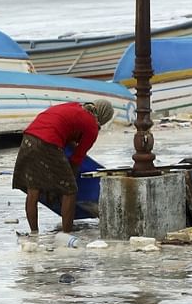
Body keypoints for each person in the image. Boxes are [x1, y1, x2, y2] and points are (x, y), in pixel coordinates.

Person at [12, 99, 115, 234]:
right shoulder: (92, 127)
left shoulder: (76, 106)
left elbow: (65, 132)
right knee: (70, 191)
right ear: (104, 118)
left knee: (34, 189)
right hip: (49, 142)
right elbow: (76, 159)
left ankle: (34, 233)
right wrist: (66, 182)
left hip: (29, 137)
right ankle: (67, 234)